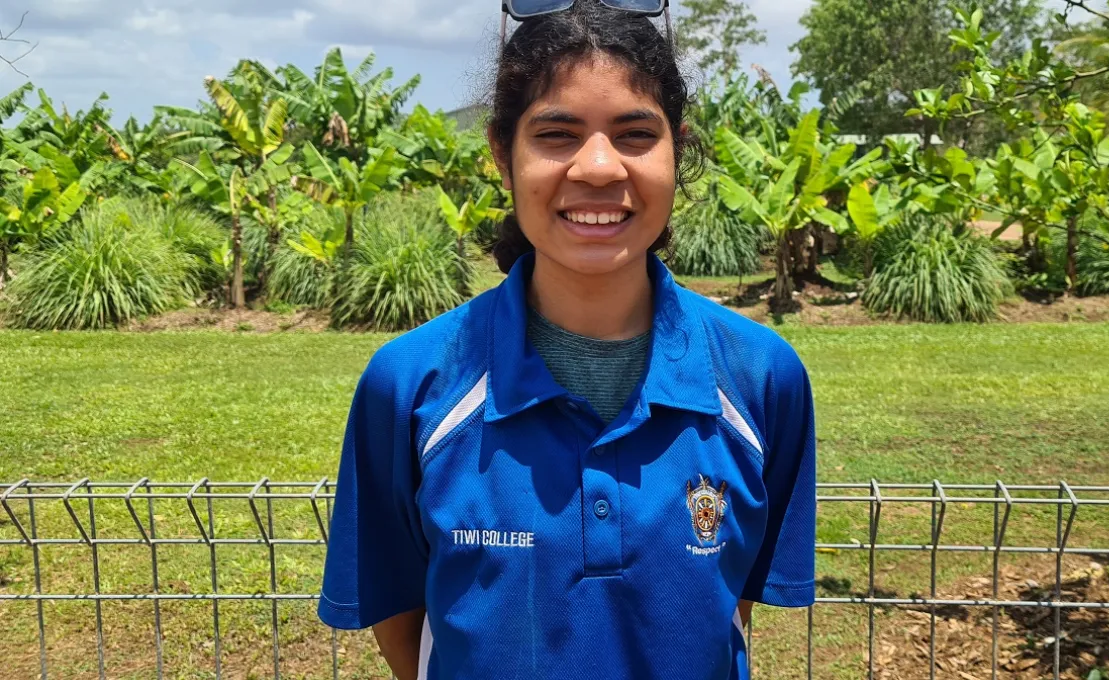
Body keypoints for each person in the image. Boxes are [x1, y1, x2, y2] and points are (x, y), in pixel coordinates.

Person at [316, 1, 816, 678]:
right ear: (502, 153)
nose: (600, 168)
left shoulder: (762, 379)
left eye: (636, 133)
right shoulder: (410, 385)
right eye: (557, 134)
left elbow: (724, 608)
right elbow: (399, 614)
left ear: (679, 150)